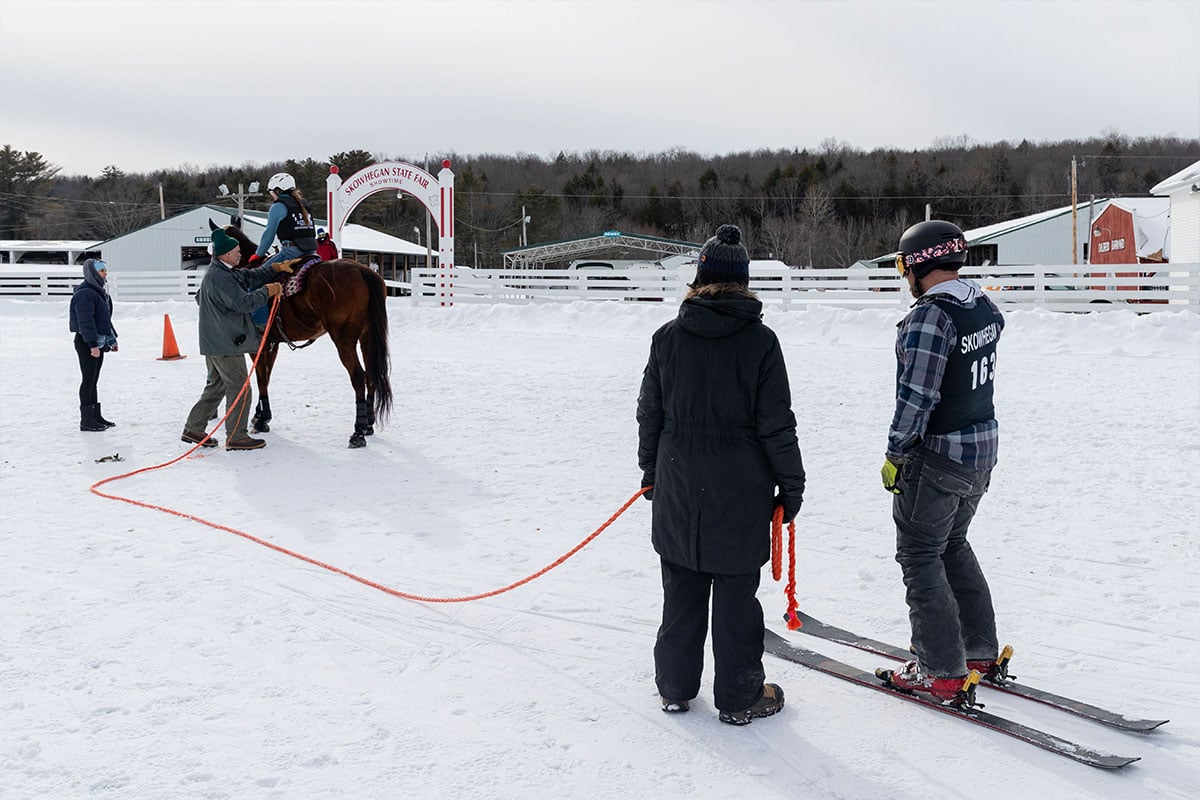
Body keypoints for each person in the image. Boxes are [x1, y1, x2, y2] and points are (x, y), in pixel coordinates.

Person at [637, 224, 806, 726]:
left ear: (700, 277)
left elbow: (650, 413)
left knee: (681, 589)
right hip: (740, 490)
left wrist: (651, 472)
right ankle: (739, 697)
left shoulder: (667, 337)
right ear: (744, 282)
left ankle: (674, 687)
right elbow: (777, 424)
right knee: (735, 597)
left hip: (678, 482)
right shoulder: (761, 342)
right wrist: (791, 485)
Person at [875, 219, 1006, 704]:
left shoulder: (932, 316)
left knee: (920, 554)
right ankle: (977, 649)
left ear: (917, 264)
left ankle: (940, 668)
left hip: (940, 455)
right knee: (953, 544)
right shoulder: (981, 303)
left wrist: (896, 452)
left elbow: (918, 396)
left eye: (903, 265)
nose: (903, 274)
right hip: (981, 450)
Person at [181, 227, 292, 451]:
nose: (240, 254)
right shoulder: (220, 277)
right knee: (241, 388)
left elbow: (249, 275)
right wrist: (268, 291)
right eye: (237, 251)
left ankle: (194, 428)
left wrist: (274, 268)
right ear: (225, 253)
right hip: (225, 343)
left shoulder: (224, 271)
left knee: (217, 387)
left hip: (215, 341)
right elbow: (244, 303)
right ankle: (236, 436)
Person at [249, 172, 317, 327]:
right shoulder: (305, 204)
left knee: (256, 280)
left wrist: (258, 255)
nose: (272, 195)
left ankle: (260, 325)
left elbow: (268, 235)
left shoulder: (279, 206)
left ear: (278, 190)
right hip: (311, 253)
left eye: (272, 192)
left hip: (291, 252)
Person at [68, 258, 118, 432]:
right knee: (88, 380)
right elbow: (85, 322)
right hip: (87, 342)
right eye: (101, 270)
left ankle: (96, 415)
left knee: (94, 380)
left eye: (105, 270)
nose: (105, 273)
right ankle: (86, 420)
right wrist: (92, 345)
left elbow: (105, 320)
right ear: (92, 273)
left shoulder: (100, 293)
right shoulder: (84, 294)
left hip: (99, 342)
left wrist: (112, 340)